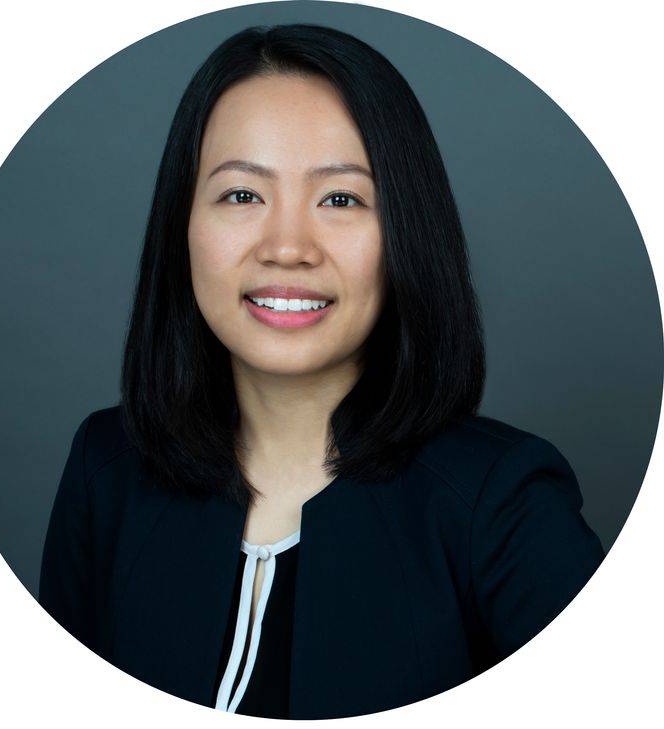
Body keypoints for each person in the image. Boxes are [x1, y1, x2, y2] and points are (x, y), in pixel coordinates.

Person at [39, 23, 605, 720]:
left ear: (406, 231)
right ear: (181, 223)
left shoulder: (502, 502)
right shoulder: (107, 468)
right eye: (242, 195)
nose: (287, 248)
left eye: (341, 199)